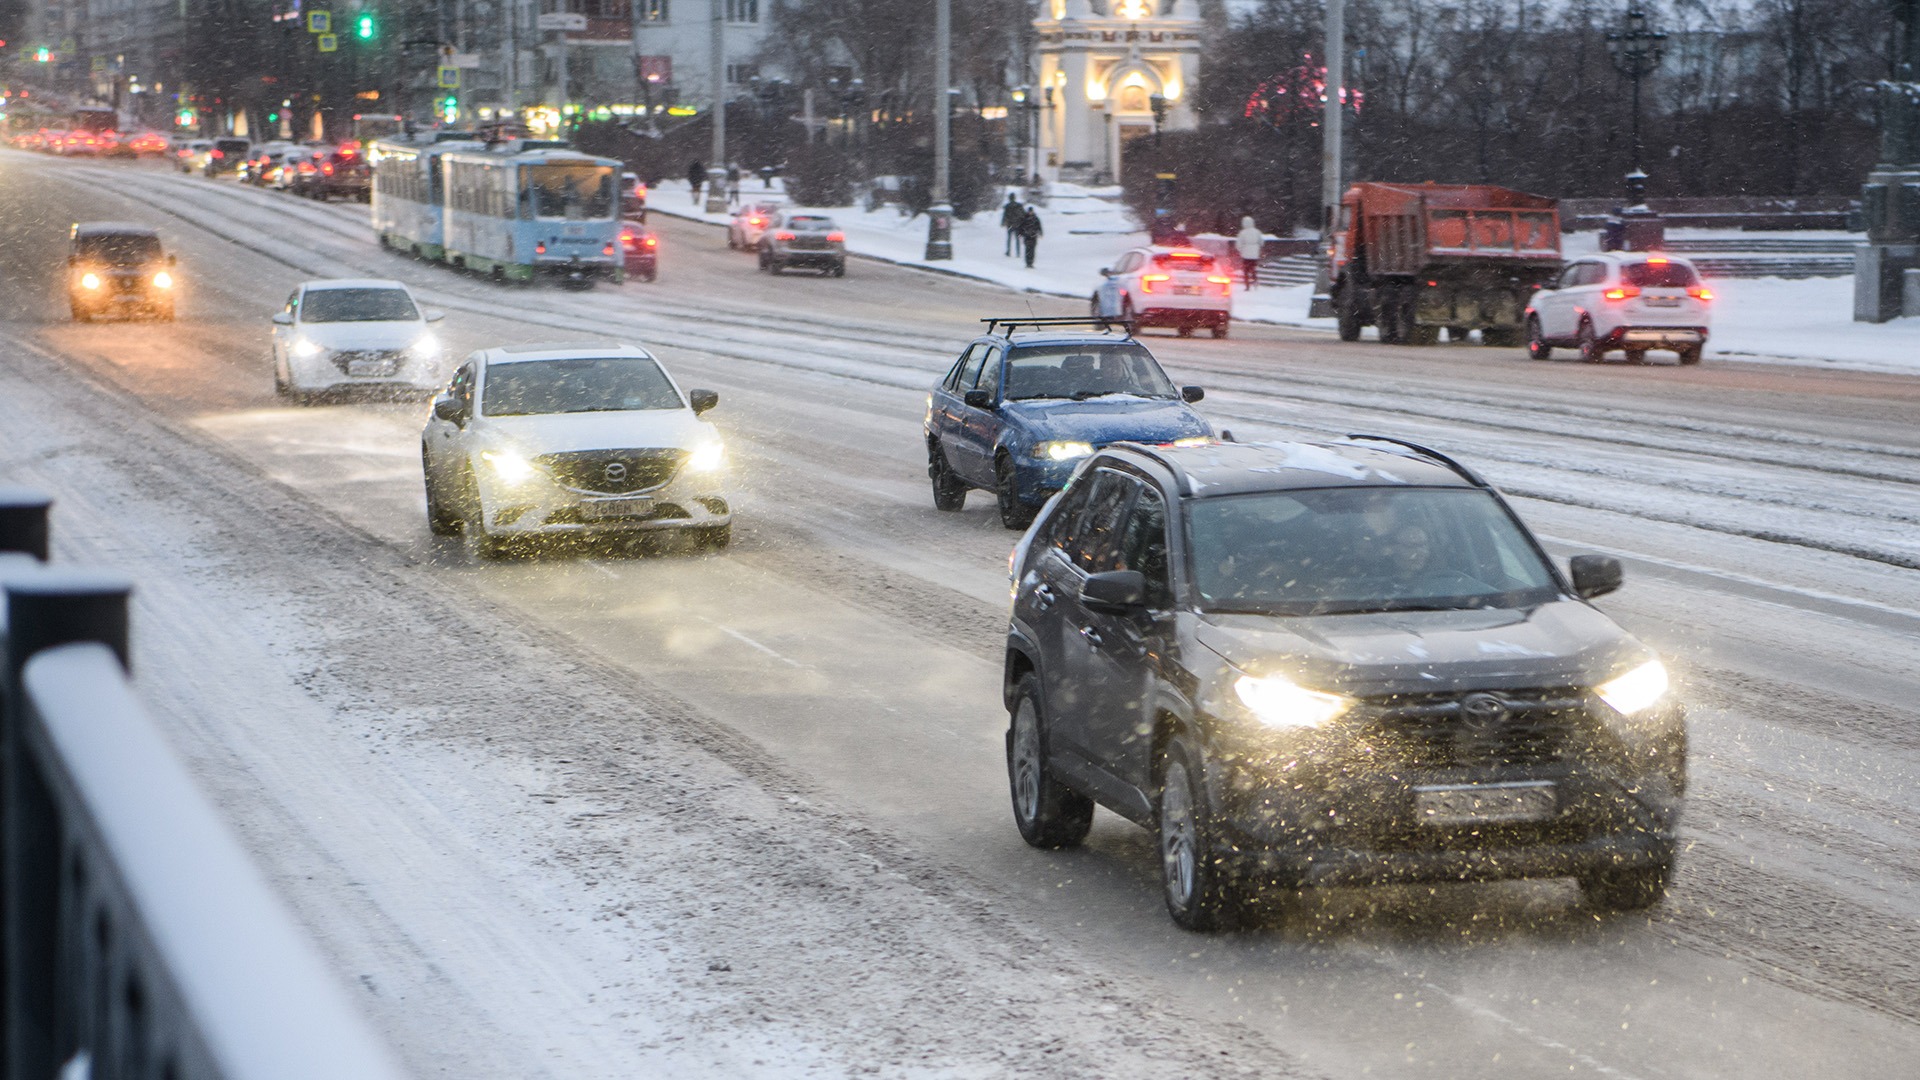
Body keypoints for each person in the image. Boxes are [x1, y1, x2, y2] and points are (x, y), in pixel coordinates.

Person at [1235, 215, 1264, 291]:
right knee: (1253, 269)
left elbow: (1239, 244)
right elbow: (1261, 242)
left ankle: (1247, 285)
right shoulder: (1257, 232)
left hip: (1245, 254)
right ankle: (1255, 281)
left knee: (1246, 271)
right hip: (1254, 254)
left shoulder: (1242, 233)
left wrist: (1241, 250)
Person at [1000, 192, 1024, 257]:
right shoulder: (1019, 205)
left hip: (1009, 224)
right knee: (1017, 239)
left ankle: (1008, 251)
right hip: (1017, 224)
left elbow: (1005, 215)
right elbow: (1023, 215)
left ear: (1009, 198)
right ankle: (1018, 253)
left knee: (1009, 239)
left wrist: (1002, 222)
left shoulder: (1007, 206)